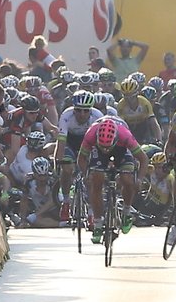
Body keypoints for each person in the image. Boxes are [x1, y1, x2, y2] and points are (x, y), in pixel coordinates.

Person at [78, 117, 149, 243]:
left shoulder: (125, 135)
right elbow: (81, 159)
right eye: (103, 146)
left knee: (127, 179)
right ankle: (98, 224)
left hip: (121, 150)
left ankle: (127, 212)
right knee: (96, 179)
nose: (106, 149)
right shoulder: (90, 134)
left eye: (107, 147)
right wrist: (86, 175)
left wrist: (139, 180)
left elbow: (143, 159)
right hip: (98, 152)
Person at [55, 90, 103, 220]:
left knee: (90, 176)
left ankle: (92, 212)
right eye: (79, 110)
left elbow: (101, 143)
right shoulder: (66, 115)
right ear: (73, 109)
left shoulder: (98, 116)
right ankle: (65, 201)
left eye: (86, 110)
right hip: (70, 142)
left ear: (91, 110)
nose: (82, 114)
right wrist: (58, 161)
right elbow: (61, 141)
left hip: (88, 142)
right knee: (67, 169)